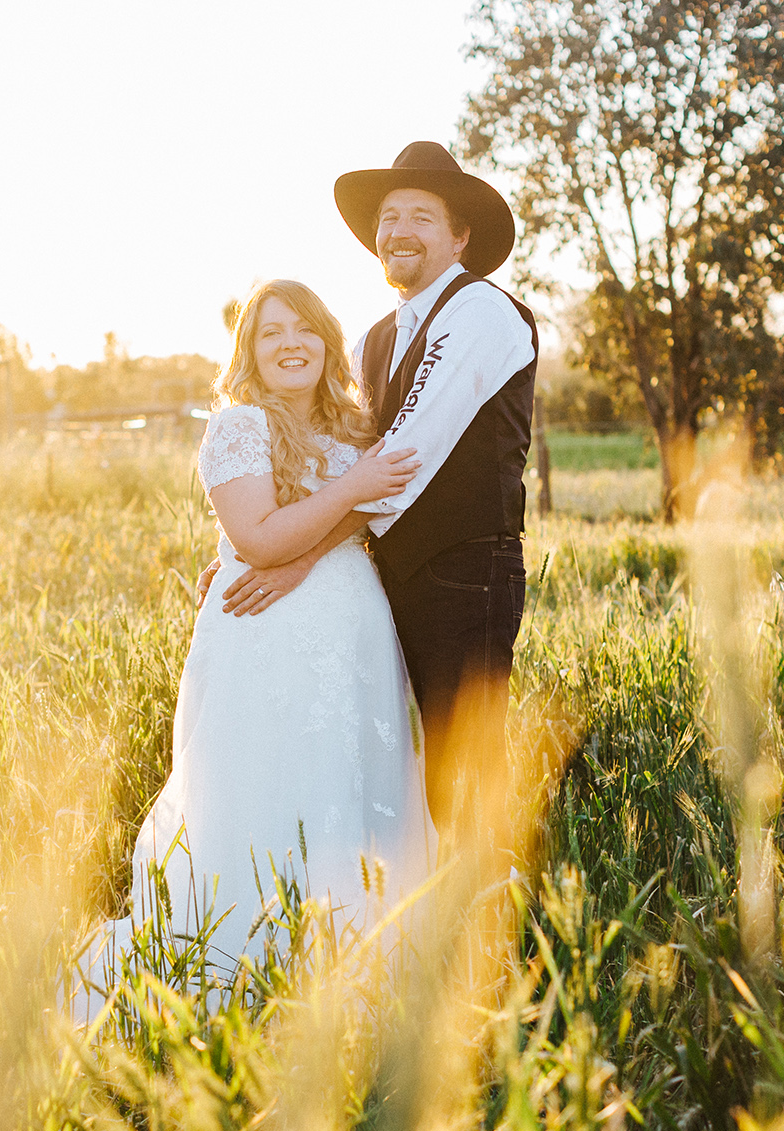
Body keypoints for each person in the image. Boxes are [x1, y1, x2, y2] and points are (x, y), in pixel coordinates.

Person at [91, 280, 436, 986]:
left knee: (349, 779)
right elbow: (256, 536)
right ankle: (246, 960)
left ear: (327, 342)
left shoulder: (353, 427)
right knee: (265, 782)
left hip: (353, 633)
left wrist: (313, 541)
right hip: (264, 630)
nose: (290, 344)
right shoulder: (239, 425)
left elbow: (362, 519)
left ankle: (355, 956)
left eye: (304, 329)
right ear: (248, 349)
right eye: (271, 332)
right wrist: (347, 492)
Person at [212, 142, 537, 825]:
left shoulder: (480, 312)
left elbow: (396, 465)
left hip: (463, 574)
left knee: (464, 765)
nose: (398, 231)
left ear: (460, 236)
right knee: (398, 765)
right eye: (389, 217)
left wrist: (293, 556)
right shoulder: (376, 339)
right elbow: (336, 455)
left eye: (421, 216)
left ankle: (492, 925)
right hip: (384, 581)